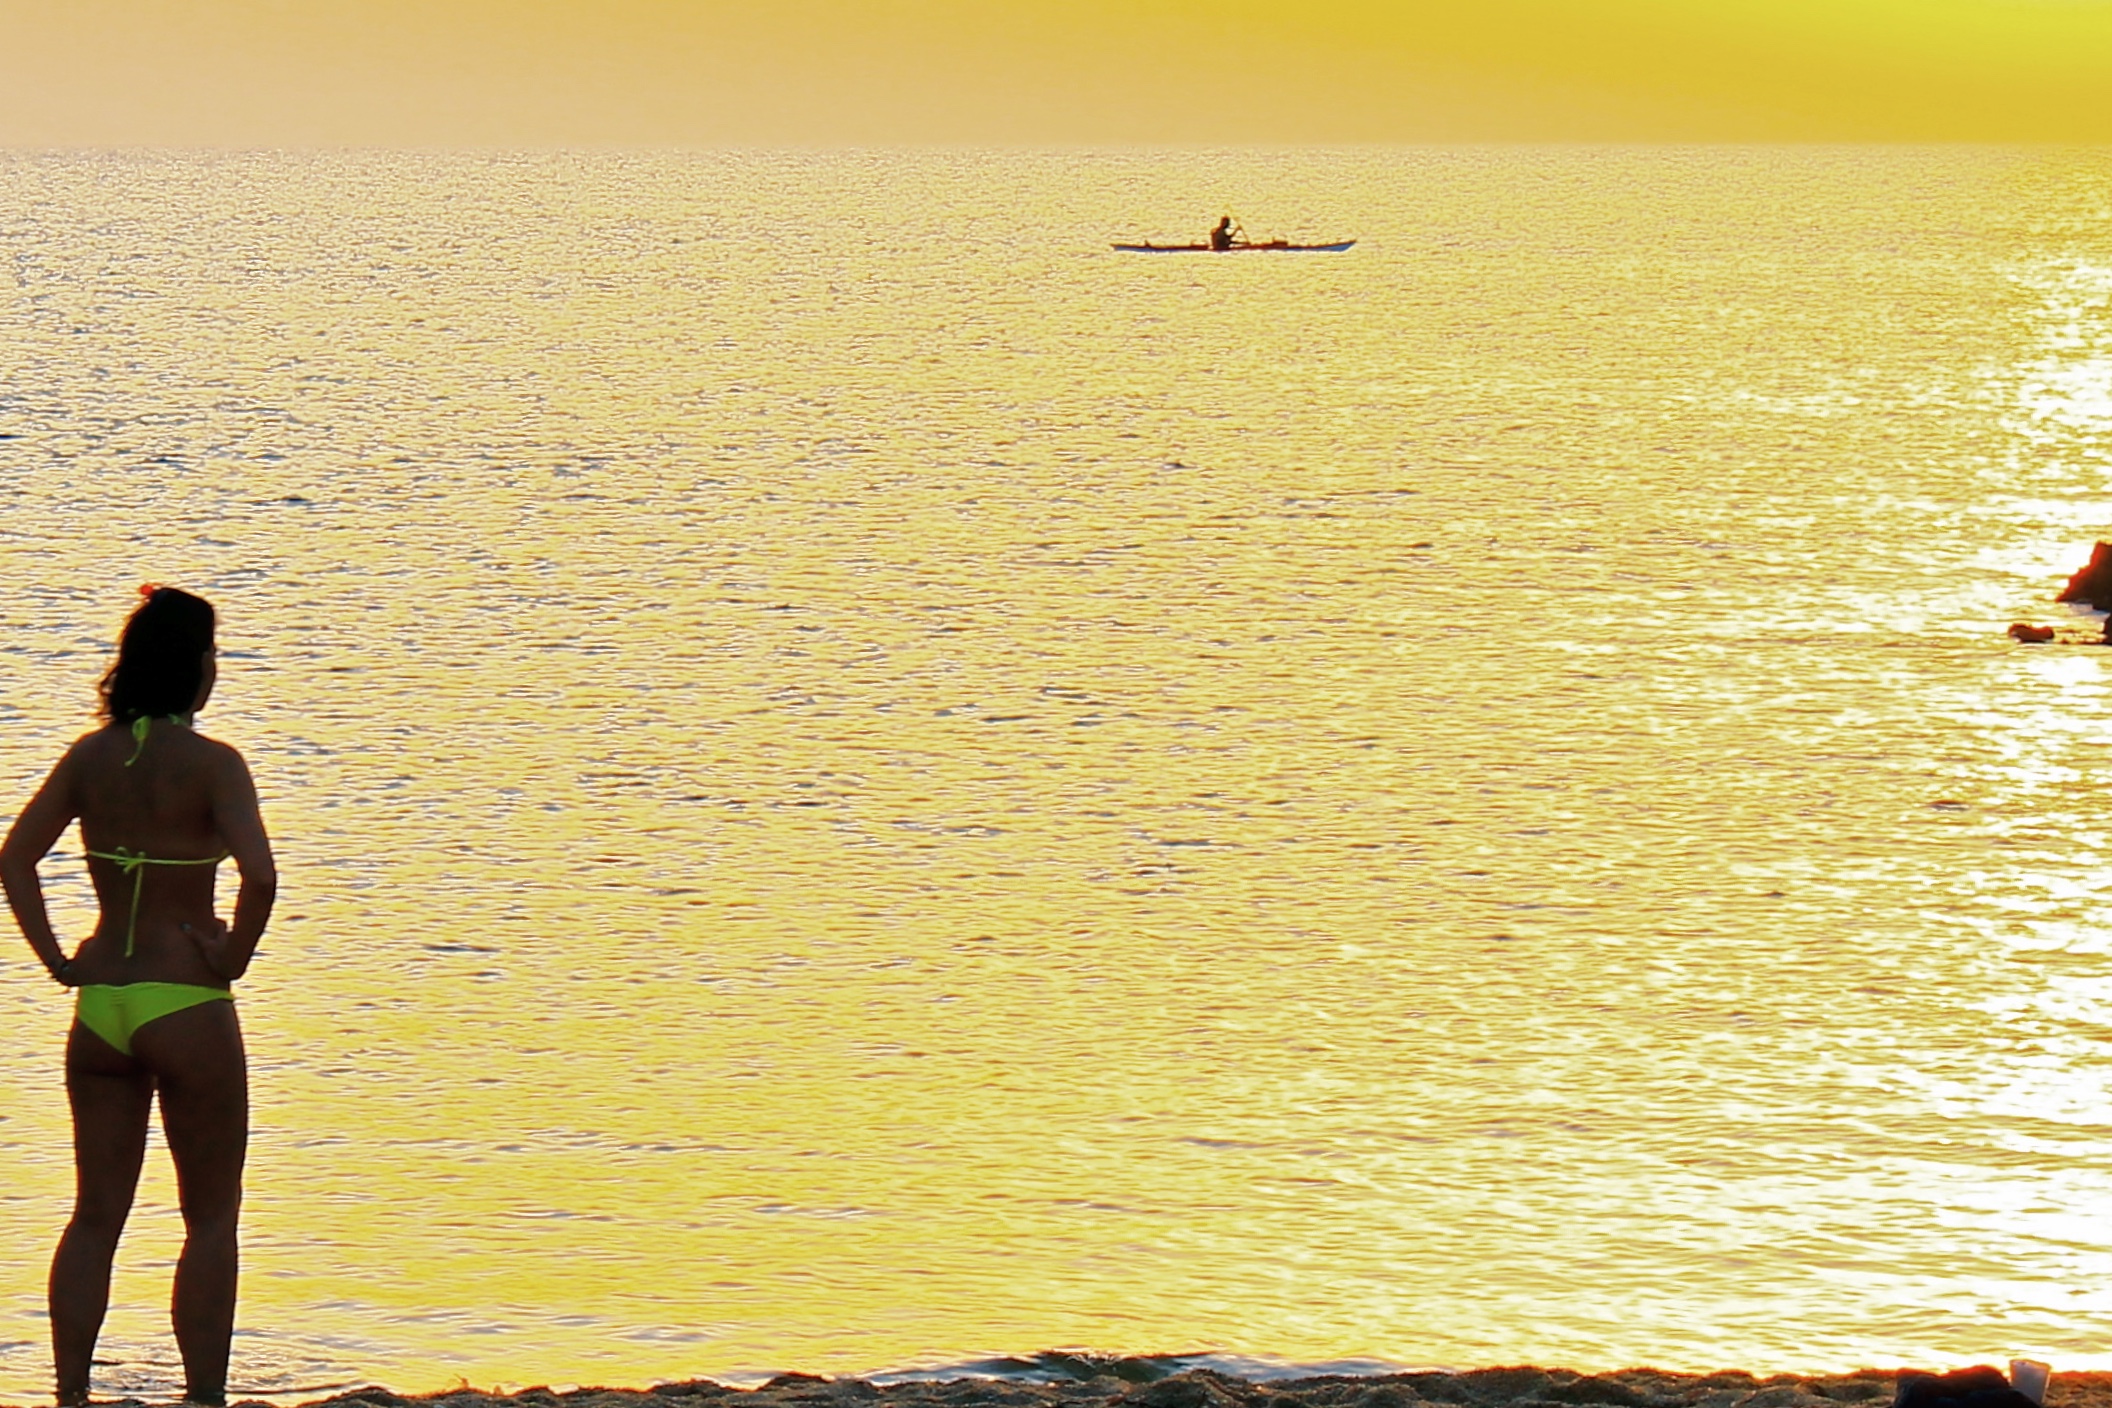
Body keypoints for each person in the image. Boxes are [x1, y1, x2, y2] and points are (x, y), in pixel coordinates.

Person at [1, 586, 276, 1408]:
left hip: (101, 1010)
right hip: (185, 1001)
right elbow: (260, 875)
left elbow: (15, 858)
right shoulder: (215, 764)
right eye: (213, 654)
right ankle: (202, 1398)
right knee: (210, 1218)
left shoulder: (91, 757)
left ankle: (72, 1397)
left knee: (95, 1216)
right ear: (196, 668)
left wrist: (56, 959)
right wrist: (233, 953)